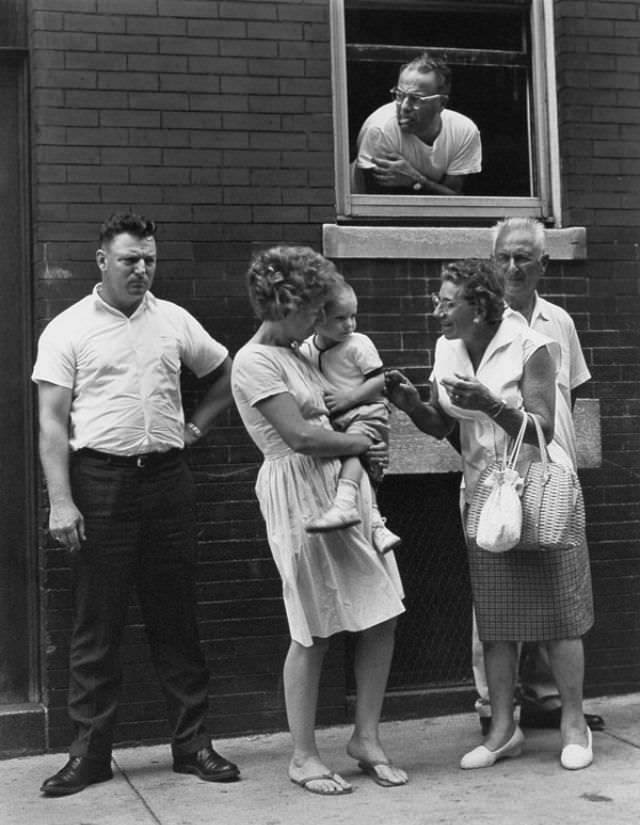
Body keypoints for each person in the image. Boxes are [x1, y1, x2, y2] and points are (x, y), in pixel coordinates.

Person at [32, 212, 239, 797]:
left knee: (177, 616)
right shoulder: (68, 329)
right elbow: (50, 421)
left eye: (149, 259)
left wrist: (195, 428)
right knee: (97, 623)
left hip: (167, 480)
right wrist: (61, 502)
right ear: (103, 261)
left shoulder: (173, 320)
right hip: (99, 484)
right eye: (130, 260)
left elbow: (227, 372)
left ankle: (193, 745)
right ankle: (90, 755)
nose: (142, 269)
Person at [385, 257, 595, 771]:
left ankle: (574, 723)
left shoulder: (530, 345)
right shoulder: (447, 348)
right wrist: (413, 406)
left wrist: (489, 403)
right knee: (496, 618)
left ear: (478, 306)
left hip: (538, 491)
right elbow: (444, 427)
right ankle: (504, 729)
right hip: (483, 494)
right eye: (438, 301)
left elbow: (541, 425)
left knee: (559, 614)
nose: (437, 310)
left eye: (446, 301)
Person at [231, 246, 408, 795]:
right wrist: (361, 441)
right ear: (286, 305)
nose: (321, 318)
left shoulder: (302, 354)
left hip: (336, 485)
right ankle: (304, 756)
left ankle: (366, 739)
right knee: (312, 628)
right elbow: (301, 436)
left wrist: (357, 446)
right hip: (295, 487)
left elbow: (332, 413)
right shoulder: (254, 361)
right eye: (313, 308)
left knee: (382, 610)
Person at [474, 216, 602, 734]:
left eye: (523, 257)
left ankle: (550, 700)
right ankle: (493, 708)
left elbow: (569, 398)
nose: (512, 267)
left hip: (553, 479)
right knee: (496, 593)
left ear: (543, 265)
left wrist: (563, 461)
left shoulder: (559, 323)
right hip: (498, 479)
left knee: (558, 593)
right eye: (503, 256)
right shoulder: (479, 322)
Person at [299, 281, 401, 554]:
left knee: (354, 454)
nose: (350, 324)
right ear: (317, 321)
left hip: (367, 411)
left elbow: (379, 380)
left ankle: (344, 505)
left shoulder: (358, 343)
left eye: (353, 316)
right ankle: (376, 524)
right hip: (339, 419)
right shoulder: (307, 349)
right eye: (340, 318)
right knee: (362, 468)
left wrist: (348, 398)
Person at [354, 53, 481, 195]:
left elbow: (453, 201)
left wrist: (416, 180)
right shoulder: (379, 129)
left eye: (416, 99)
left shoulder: (464, 131)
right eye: (399, 95)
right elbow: (376, 206)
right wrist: (425, 186)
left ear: (441, 103)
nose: (404, 107)